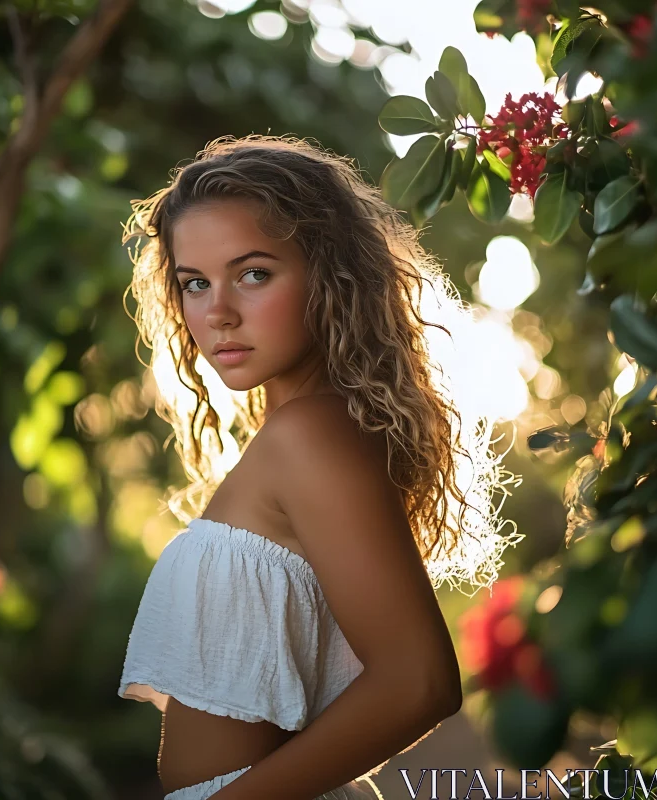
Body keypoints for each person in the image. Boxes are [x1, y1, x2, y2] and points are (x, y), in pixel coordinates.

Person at [117, 134, 520, 800]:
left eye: (253, 273)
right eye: (194, 283)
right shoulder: (307, 431)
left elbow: (419, 682)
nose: (216, 312)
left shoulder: (310, 435)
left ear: (328, 275)